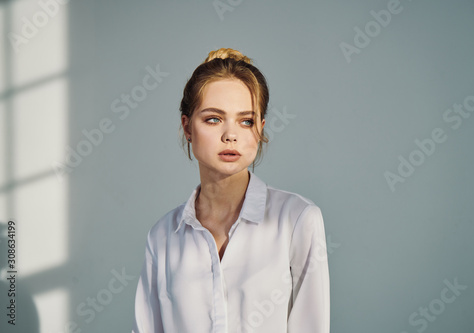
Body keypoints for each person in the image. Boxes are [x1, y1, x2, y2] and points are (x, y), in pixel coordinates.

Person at [132, 48, 330, 332]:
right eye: (213, 119)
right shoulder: (162, 237)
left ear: (260, 129)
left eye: (246, 121)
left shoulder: (297, 220)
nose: (231, 135)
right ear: (187, 127)